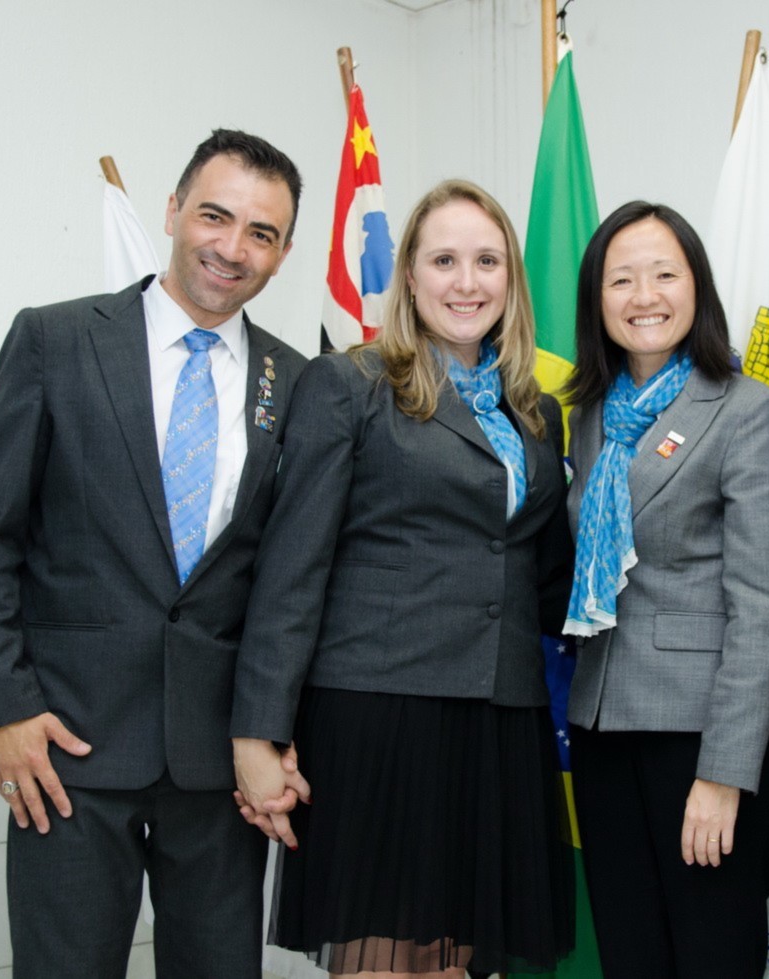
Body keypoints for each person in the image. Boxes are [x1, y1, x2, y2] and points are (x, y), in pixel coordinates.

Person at [0, 129, 309, 978]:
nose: (233, 247)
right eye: (215, 216)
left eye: (261, 232)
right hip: (66, 749)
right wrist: (3, 710)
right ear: (173, 210)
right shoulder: (55, 340)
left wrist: (274, 730)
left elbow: (290, 579)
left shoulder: (299, 383)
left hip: (218, 763)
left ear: (284, 253)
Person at [229, 179, 575, 978]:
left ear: (511, 279)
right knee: (384, 964)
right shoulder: (350, 383)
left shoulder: (536, 412)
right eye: (444, 260)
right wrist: (258, 732)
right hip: (379, 714)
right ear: (409, 277)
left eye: (487, 261)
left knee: (459, 964)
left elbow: (542, 572)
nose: (467, 281)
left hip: (499, 717)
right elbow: (293, 569)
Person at [561, 201, 769, 978]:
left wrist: (723, 774)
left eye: (665, 274)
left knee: (713, 955)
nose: (644, 296)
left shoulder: (746, 410)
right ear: (597, 298)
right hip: (600, 728)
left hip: (700, 738)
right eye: (621, 279)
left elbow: (761, 607)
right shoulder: (590, 417)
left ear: (698, 286)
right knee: (632, 957)